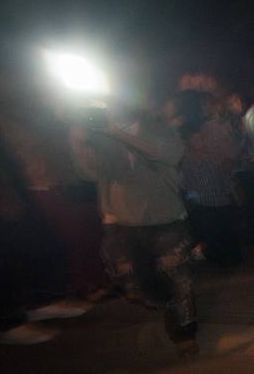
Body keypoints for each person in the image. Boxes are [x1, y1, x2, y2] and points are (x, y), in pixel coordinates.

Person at [69, 102, 199, 356]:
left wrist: (117, 133)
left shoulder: (159, 129)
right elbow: (89, 173)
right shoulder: (96, 135)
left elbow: (171, 154)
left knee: (178, 279)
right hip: (121, 222)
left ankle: (183, 330)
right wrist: (78, 142)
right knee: (133, 284)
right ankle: (165, 302)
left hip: (165, 218)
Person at [176, 91, 243, 268]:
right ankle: (218, 258)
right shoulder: (188, 153)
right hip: (204, 201)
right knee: (213, 235)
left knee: (224, 233)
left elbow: (225, 168)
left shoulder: (212, 141)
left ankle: (228, 257)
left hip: (218, 197)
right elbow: (183, 181)